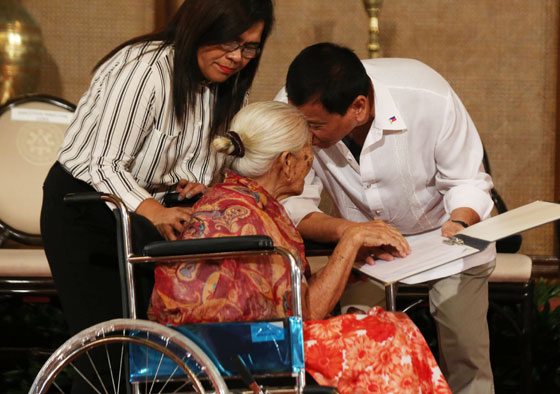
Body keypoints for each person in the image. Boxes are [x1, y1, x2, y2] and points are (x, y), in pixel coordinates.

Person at [149, 101, 451, 393]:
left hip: (238, 340)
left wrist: (347, 264)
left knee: (394, 327)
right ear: (286, 162)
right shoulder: (249, 217)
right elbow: (307, 315)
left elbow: (295, 299)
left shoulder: (248, 201)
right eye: (308, 157)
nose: (309, 166)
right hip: (233, 349)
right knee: (386, 334)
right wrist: (351, 239)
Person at [41, 0, 274, 363]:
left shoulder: (228, 86)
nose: (237, 57)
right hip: (87, 207)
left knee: (158, 355)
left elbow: (204, 162)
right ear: (202, 27)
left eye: (249, 47)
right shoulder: (147, 68)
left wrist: (198, 184)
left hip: (150, 217)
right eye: (230, 42)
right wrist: (152, 209)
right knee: (110, 353)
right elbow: (103, 163)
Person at [274, 43, 496, 394]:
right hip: (367, 249)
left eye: (315, 126)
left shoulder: (428, 96)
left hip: (445, 237)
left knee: (463, 345)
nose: (305, 136)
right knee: (358, 344)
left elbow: (467, 180)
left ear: (358, 108)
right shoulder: (294, 107)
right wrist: (352, 233)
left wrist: (460, 222)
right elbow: (292, 203)